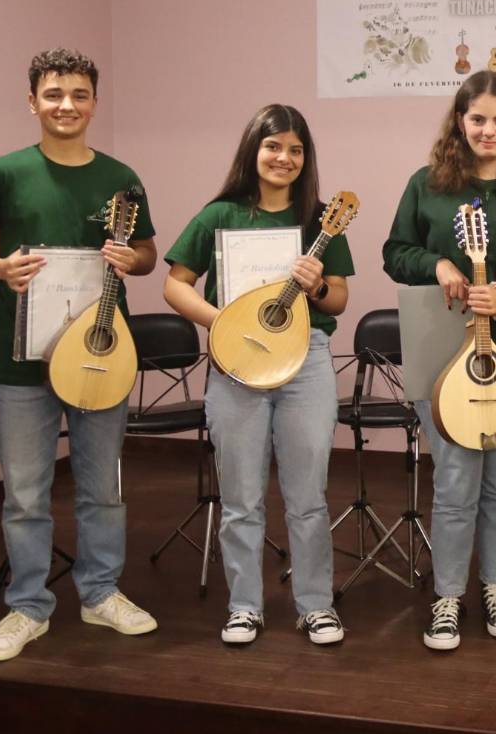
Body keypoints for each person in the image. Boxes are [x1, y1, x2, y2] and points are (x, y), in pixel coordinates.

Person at [0, 47, 159, 662]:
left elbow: (147, 252)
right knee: (24, 493)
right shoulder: (3, 172)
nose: (66, 106)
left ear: (94, 102)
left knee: (102, 489)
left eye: (79, 95)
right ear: (33, 101)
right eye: (53, 95)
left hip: (103, 354)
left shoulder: (120, 177)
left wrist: (132, 260)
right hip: (21, 360)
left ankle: (99, 593)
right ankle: (28, 606)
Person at [162, 104, 353, 646]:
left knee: (308, 494)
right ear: (253, 149)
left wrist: (316, 287)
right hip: (236, 362)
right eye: (274, 146)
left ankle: (316, 605)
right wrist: (222, 321)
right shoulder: (218, 214)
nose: (284, 158)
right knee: (241, 496)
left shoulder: (321, 220)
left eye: (296, 149)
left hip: (306, 361)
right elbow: (175, 284)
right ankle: (244, 605)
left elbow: (338, 298)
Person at [382, 71, 496, 651]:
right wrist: (439, 265)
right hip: (442, 352)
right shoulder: (427, 185)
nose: (489, 130)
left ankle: (495, 586)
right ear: (460, 121)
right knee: (455, 480)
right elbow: (393, 252)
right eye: (477, 118)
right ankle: (448, 596)